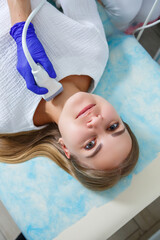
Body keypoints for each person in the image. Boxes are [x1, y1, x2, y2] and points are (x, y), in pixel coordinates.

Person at [0, 0, 139, 191]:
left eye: (90, 144)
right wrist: (21, 27)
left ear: (65, 148)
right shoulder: (94, 53)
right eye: (113, 126)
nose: (96, 122)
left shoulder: (6, 118)